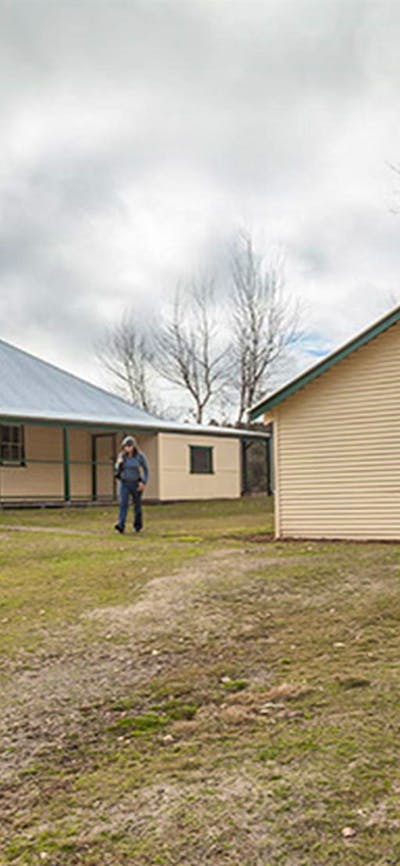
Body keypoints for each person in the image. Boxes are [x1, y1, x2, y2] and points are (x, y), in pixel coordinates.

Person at [114, 435, 149, 534]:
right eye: (126, 446)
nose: (128, 448)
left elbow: (146, 470)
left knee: (137, 505)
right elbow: (117, 468)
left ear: (134, 446)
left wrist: (144, 482)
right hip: (124, 483)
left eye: (130, 446)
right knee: (123, 504)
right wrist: (119, 463)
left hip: (135, 483)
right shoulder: (121, 456)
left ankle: (137, 525)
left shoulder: (140, 456)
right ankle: (121, 525)